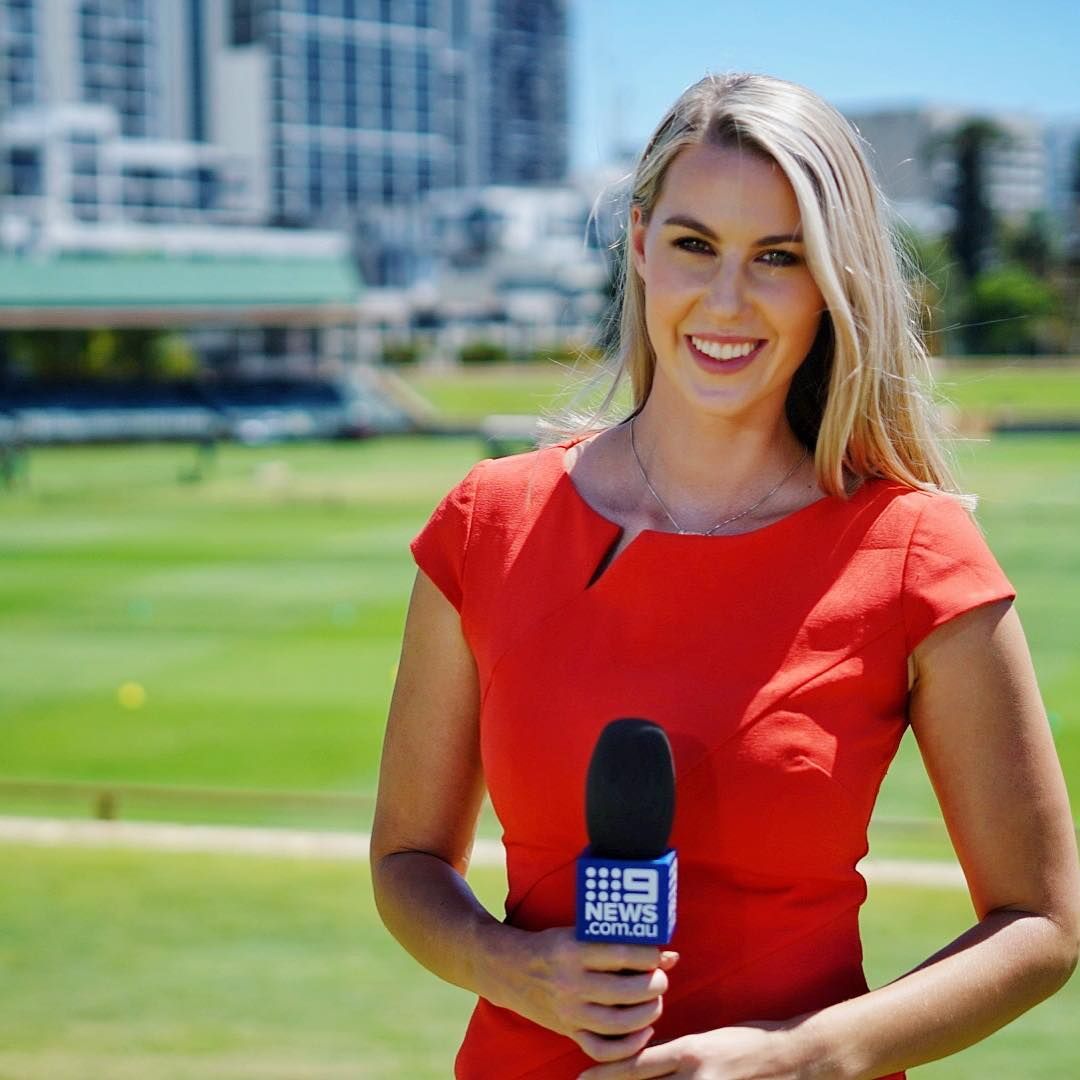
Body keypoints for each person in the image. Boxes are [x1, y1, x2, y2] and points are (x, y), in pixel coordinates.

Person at [370, 73, 1079, 1079]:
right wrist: (515, 969)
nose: (727, 299)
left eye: (778, 257)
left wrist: (807, 1053)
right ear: (641, 242)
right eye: (695, 244)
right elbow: (406, 861)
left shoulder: (916, 551)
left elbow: (1042, 923)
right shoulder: (488, 522)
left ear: (833, 281)